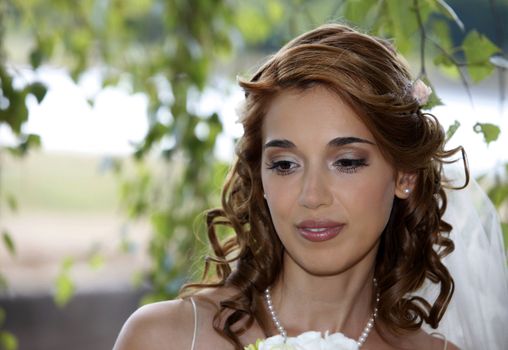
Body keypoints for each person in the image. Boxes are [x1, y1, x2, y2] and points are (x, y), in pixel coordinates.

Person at [113, 23, 508, 350]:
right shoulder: (165, 338)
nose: (312, 196)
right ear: (261, 178)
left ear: (405, 175)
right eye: (285, 165)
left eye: (347, 162)